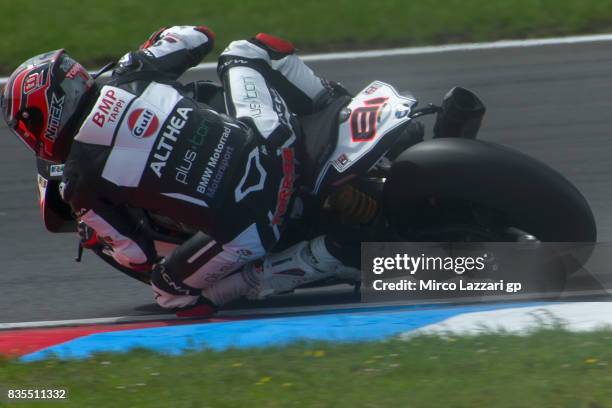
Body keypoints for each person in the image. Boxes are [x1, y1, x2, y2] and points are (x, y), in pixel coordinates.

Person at [1, 25, 359, 316]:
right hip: (276, 148)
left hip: (253, 223)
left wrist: (95, 234)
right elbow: (198, 35)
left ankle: (319, 259)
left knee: (169, 293)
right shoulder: (132, 72)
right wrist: (146, 51)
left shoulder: (79, 183)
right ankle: (338, 107)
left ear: (43, 119)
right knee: (248, 50)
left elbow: (137, 255)